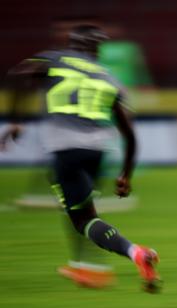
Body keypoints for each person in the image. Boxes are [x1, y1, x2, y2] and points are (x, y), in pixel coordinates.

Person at [0, 25, 161, 292]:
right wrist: (125, 175)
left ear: (72, 44)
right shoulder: (109, 77)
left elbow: (18, 74)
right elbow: (130, 133)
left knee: (82, 218)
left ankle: (134, 253)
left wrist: (16, 121)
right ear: (98, 50)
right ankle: (86, 267)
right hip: (97, 150)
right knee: (85, 213)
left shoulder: (54, 58)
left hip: (65, 147)